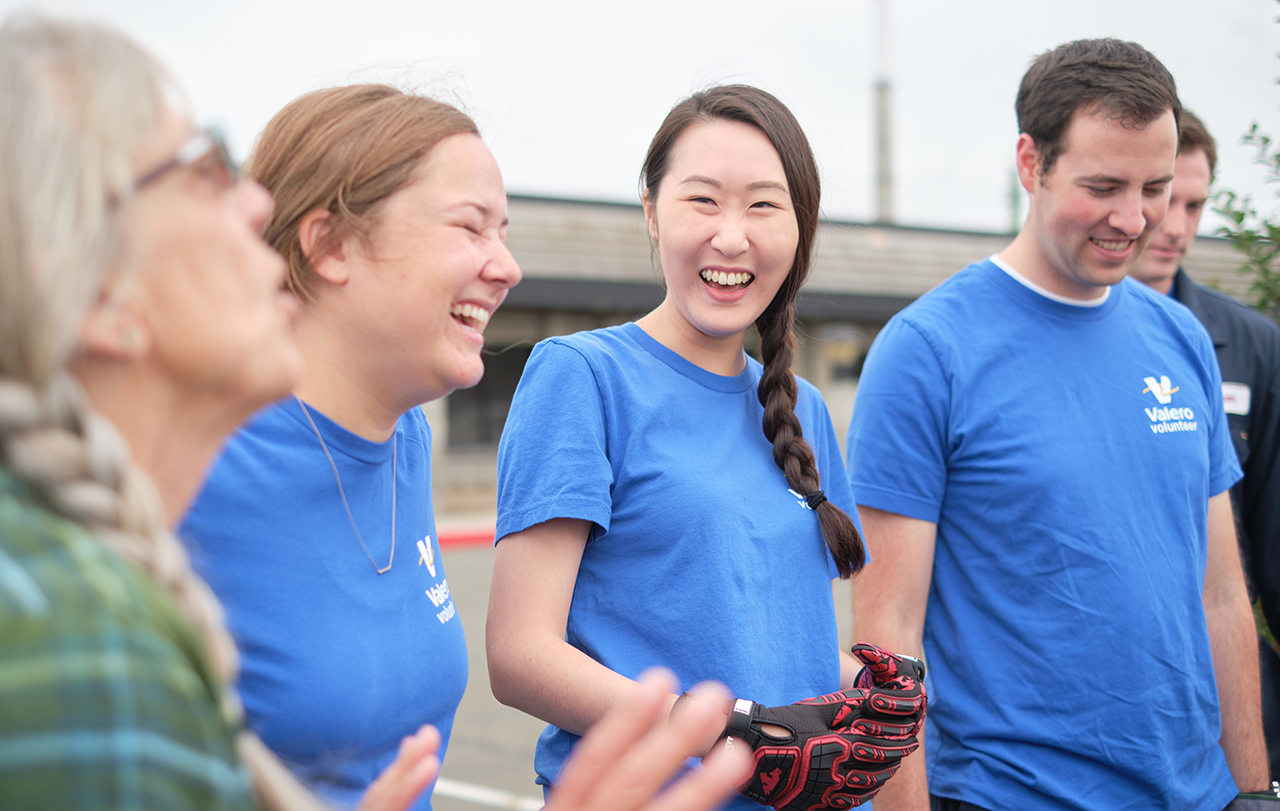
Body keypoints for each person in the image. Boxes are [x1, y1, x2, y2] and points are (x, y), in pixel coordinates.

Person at [0, 15, 756, 811]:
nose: (252, 209)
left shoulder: (401, 439)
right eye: (204, 174)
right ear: (328, 245)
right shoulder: (56, 605)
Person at [846, 37, 1271, 811]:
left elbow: (1219, 594)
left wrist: (1251, 791)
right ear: (1030, 163)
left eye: (1155, 187)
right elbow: (888, 632)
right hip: (1014, 794)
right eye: (1103, 186)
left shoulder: (1180, 339)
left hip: (1200, 794)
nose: (1133, 218)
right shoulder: (928, 350)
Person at [487, 84, 924, 811]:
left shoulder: (805, 408)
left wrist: (868, 691)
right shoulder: (584, 376)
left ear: (798, 228)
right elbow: (520, 657)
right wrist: (731, 735)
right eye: (702, 200)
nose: (731, 236)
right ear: (652, 210)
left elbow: (772, 643)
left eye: (762, 204)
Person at [1129, 109, 1280, 779]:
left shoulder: (1247, 343)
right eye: (1164, 198)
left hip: (1226, 699)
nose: (1176, 224)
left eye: (1195, 203)